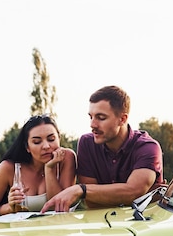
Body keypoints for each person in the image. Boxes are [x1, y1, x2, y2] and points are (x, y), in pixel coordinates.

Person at [41, 85, 164, 213]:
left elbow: (133, 192)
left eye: (101, 118)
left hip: (144, 226)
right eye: (91, 117)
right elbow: (92, 203)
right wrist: (92, 193)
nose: (92, 124)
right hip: (102, 226)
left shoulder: (148, 147)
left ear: (122, 119)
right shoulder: (87, 143)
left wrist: (82, 190)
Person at [0, 115, 77, 218]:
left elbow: (59, 207)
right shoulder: (9, 168)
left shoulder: (67, 158)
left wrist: (49, 169)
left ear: (59, 138)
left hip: (57, 230)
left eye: (51, 139)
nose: (46, 146)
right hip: (22, 232)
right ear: (27, 147)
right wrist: (10, 208)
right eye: (37, 142)